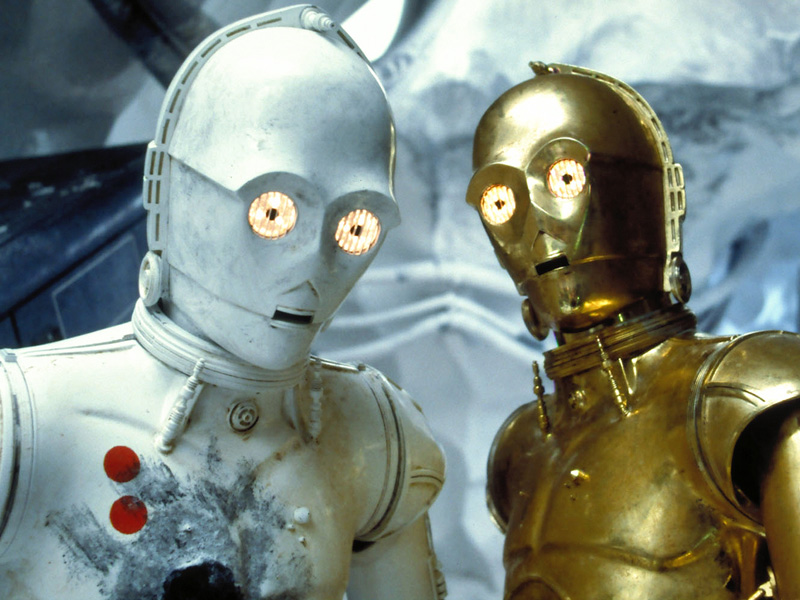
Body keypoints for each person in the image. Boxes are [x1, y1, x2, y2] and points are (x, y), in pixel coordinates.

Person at [0, 6, 446, 599]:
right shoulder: (25, 425)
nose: (312, 264)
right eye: (274, 212)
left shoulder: (372, 437)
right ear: (174, 185)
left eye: (355, 227)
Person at [466, 61, 800, 599]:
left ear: (641, 195)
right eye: (500, 202)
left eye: (564, 179)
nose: (539, 230)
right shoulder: (521, 447)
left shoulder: (746, 395)